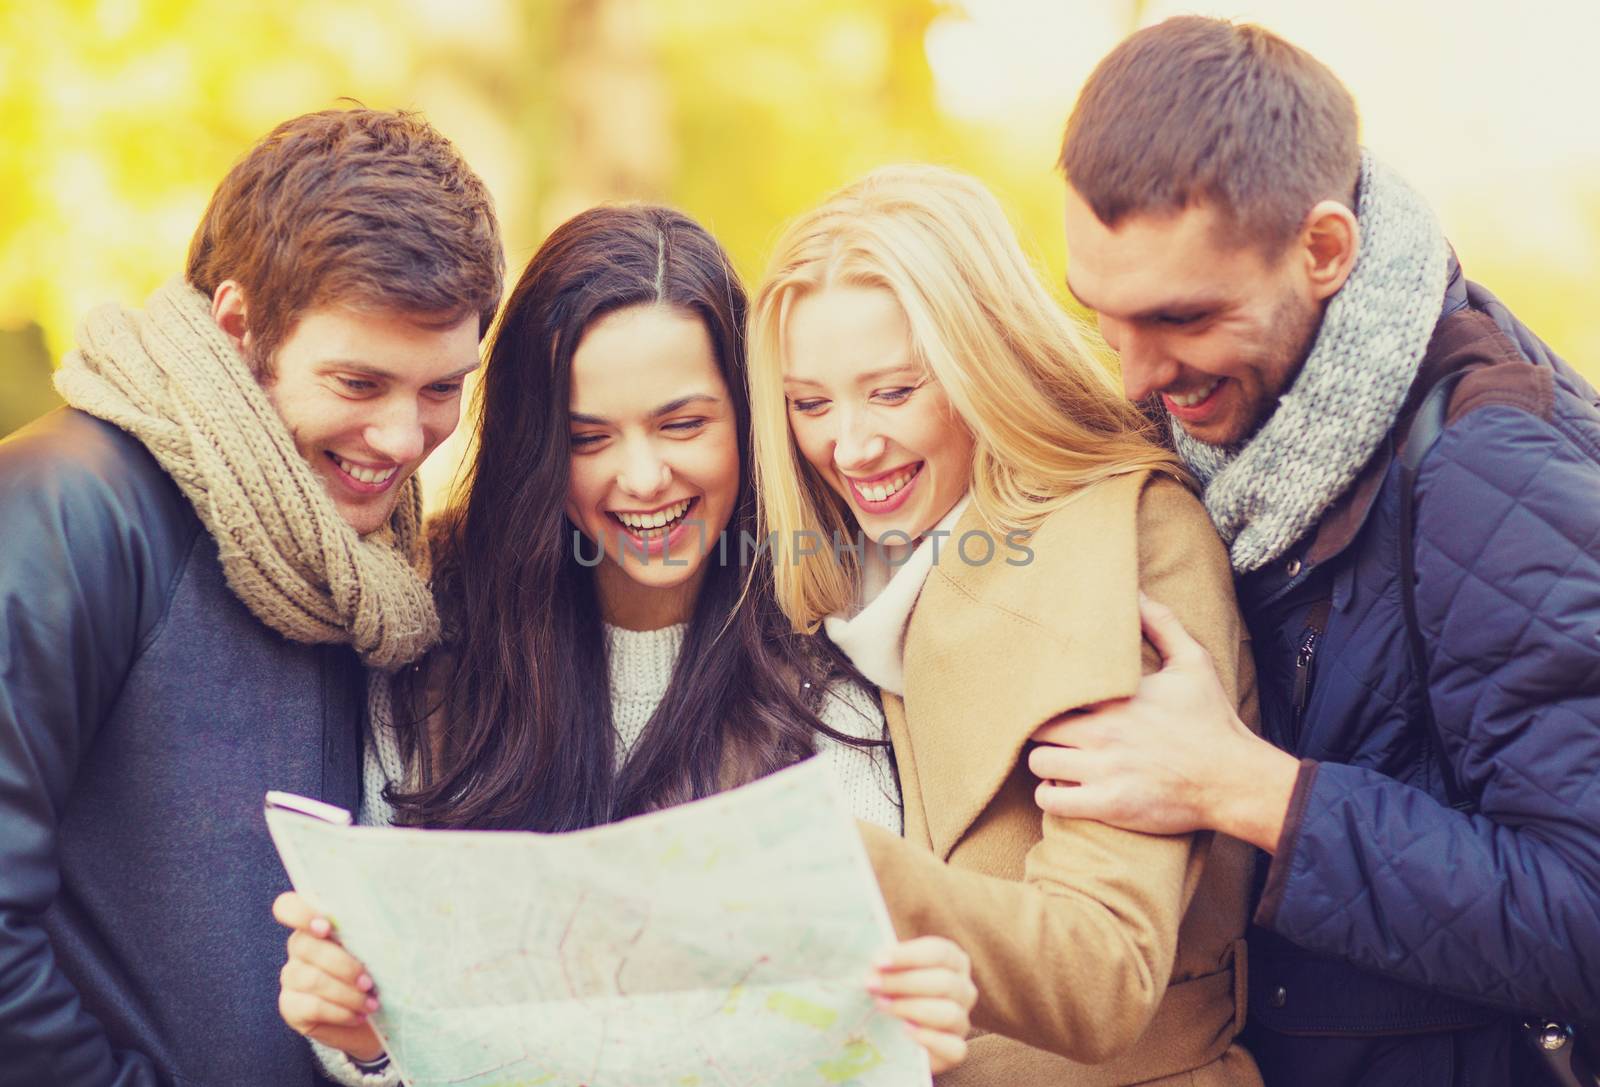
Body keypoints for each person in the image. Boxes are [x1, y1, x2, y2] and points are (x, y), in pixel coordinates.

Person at [270, 205, 978, 1085]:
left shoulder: (833, 655)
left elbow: (862, 1021)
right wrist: (360, 1038)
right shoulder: (438, 650)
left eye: (683, 425)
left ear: (751, 418)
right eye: (589, 438)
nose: (642, 478)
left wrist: (922, 1025)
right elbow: (383, 1029)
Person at [1028, 16, 1600, 1087]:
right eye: (1102, 316)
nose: (1134, 378)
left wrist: (1249, 789)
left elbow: (1584, 908)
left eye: (1180, 318)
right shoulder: (1231, 433)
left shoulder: (1492, 470)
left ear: (1324, 251)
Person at [0, 109, 503, 1086]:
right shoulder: (67, 511)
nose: (403, 439)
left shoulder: (357, 560)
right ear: (239, 325)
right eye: (359, 382)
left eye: (442, 389)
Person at [747, 163, 1261, 1085]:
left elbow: (1105, 970)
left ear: (982, 362)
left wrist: (829, 867)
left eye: (895, 391)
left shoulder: (1128, 535)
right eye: (811, 404)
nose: (850, 446)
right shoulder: (868, 574)